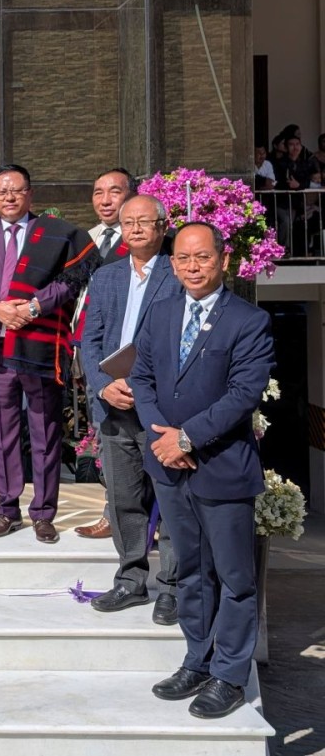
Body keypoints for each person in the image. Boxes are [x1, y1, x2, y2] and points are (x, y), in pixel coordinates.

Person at [131, 222, 274, 719]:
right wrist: (161, 438)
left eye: (203, 258)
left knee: (235, 578)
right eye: (183, 259)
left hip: (222, 467)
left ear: (223, 261)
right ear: (172, 265)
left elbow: (242, 395)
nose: (193, 267)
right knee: (190, 571)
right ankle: (198, 658)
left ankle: (230, 675)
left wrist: (185, 438)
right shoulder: (161, 312)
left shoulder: (248, 321)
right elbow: (141, 377)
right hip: (170, 469)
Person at [0, 164, 98, 543]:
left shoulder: (53, 234)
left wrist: (34, 306)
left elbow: (69, 281)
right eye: (1, 191)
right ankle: (7, 510)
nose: (9, 197)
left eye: (17, 190)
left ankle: (43, 512)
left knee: (45, 430)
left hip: (38, 345)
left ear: (30, 195)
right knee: (3, 433)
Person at [80, 195, 181, 625]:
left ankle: (174, 586)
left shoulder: (179, 272)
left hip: (162, 407)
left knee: (172, 499)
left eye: (145, 221)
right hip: (115, 404)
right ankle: (131, 578)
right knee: (123, 498)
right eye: (129, 222)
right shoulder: (105, 277)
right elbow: (91, 341)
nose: (136, 228)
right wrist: (102, 385)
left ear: (162, 226)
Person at [73, 168, 136, 540]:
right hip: (88, 348)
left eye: (115, 191)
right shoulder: (85, 239)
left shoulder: (143, 241)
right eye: (98, 192)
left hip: (128, 355)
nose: (105, 199)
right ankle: (112, 512)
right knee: (105, 434)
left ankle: (144, 517)